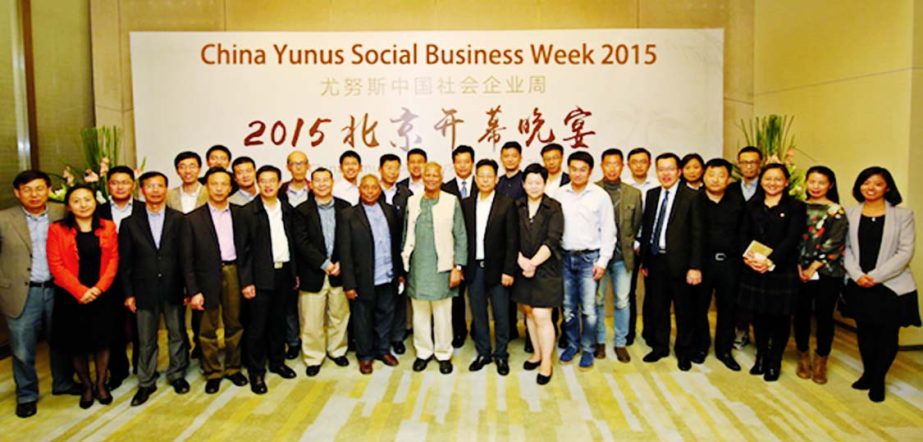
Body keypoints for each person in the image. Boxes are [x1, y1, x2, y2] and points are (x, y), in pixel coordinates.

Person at [0, 170, 79, 418]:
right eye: (27, 189)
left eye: (39, 188)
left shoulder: (62, 213)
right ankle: (26, 394)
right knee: (23, 348)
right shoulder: (4, 219)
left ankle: (63, 383)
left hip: (58, 288)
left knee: (62, 340)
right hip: (22, 291)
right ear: (17, 193)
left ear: (49, 189)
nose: (34, 194)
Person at [843, 167, 920, 402]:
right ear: (859, 186)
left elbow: (905, 252)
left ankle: (878, 379)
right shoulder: (850, 213)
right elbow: (844, 247)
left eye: (877, 183)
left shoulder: (902, 216)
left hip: (892, 285)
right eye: (866, 183)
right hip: (859, 282)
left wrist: (875, 276)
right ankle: (868, 373)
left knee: (887, 334)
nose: (871, 188)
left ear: (887, 187)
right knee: (864, 331)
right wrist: (857, 275)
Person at [118, 171, 190, 406]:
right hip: (143, 289)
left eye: (160, 185)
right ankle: (146, 382)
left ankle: (177, 374)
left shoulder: (179, 219)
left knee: (177, 333)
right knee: (146, 338)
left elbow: (185, 257)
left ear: (166, 189)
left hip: (173, 286)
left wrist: (189, 288)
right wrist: (128, 293)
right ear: (142, 191)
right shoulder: (130, 223)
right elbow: (125, 262)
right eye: (150, 186)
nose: (155, 190)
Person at [47, 185, 119, 409]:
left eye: (87, 199)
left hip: (101, 294)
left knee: (102, 341)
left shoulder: (108, 227)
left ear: (95, 202)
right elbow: (56, 265)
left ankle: (100, 384)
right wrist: (80, 291)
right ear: (68, 206)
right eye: (76, 201)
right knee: (76, 343)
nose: (83, 204)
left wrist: (98, 289)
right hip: (70, 295)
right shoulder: (57, 230)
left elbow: (113, 261)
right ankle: (86, 385)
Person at [181, 167, 249, 394]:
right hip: (205, 277)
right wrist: (193, 290)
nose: (219, 189)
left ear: (231, 188)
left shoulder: (241, 214)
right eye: (214, 184)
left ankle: (233, 368)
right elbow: (187, 259)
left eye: (224, 184)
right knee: (207, 328)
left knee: (235, 324)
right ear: (207, 187)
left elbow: (247, 251)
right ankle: (212, 372)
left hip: (233, 272)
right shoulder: (192, 219)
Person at [739, 163, 806, 382]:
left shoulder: (796, 206)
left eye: (778, 179)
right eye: (768, 178)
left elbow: (792, 238)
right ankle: (761, 356)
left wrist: (770, 261)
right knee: (758, 317)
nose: (773, 183)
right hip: (754, 268)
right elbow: (743, 235)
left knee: (780, 318)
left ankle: (774, 361)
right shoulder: (752, 205)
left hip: (781, 270)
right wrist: (749, 259)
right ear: (761, 180)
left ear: (786, 182)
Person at [638, 153, 703, 371]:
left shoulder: (692, 196)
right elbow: (648, 228)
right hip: (656, 260)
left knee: (684, 309)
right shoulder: (653, 194)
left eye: (670, 169)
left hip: (682, 263)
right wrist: (644, 260)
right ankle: (660, 347)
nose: (665, 174)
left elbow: (697, 235)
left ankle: (683, 351)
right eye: (661, 169)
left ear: (679, 172)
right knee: (658, 307)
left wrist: (695, 266)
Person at [238, 165, 299, 394]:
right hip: (258, 276)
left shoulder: (286, 208)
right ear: (257, 182)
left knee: (278, 322)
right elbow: (242, 251)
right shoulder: (247, 212)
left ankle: (277, 362)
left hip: (283, 273)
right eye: (262, 180)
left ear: (279, 182)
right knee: (257, 327)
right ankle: (256, 372)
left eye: (272, 180)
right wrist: (246, 282)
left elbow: (291, 242)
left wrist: (294, 273)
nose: (267, 184)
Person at [402, 162, 467, 375]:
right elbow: (405, 235)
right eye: (427, 175)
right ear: (422, 177)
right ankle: (423, 352)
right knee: (419, 313)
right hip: (418, 266)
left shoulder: (451, 201)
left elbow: (461, 235)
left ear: (441, 178)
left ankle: (443, 353)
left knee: (442, 314)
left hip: (443, 266)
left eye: (435, 175)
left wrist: (457, 266)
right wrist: (404, 265)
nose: (430, 178)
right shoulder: (412, 201)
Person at [556, 151, 616, 369]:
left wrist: (602, 262)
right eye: (574, 169)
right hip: (564, 257)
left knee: (589, 308)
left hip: (589, 258)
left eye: (583, 169)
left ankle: (588, 348)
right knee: (568, 307)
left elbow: (609, 231)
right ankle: (572, 345)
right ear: (568, 169)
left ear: (590, 171)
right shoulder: (560, 194)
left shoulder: (600, 196)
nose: (578, 173)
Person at [339, 175, 403, 374]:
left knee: (386, 315)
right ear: (359, 189)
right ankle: (365, 356)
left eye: (373, 187)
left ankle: (383, 350)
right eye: (365, 187)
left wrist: (400, 273)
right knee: (363, 318)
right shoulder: (348, 215)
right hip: (362, 278)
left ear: (379, 189)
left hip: (387, 274)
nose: (369, 191)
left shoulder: (390, 211)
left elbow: (396, 245)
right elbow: (345, 252)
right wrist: (349, 284)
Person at [292, 168, 351, 377]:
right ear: (311, 184)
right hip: (313, 272)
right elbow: (301, 242)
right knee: (311, 319)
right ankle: (313, 357)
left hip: (340, 272)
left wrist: (341, 262)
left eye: (326, 180)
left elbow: (350, 240)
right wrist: (325, 264)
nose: (322, 184)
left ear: (332, 182)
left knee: (339, 315)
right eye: (318, 180)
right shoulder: (301, 211)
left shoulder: (345, 208)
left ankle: (337, 351)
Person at [461, 159, 517, 375]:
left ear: (496, 179)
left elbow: (512, 240)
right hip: (474, 269)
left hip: (499, 269)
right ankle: (483, 351)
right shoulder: (466, 204)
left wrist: (509, 271)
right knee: (478, 313)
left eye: (489, 176)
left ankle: (501, 355)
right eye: (481, 176)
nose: (485, 180)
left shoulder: (506, 203)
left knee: (501, 314)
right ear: (475, 179)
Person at [794, 166, 847, 384]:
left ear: (830, 185)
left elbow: (835, 242)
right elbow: (793, 237)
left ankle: (821, 359)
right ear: (806, 182)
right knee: (801, 314)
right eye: (812, 182)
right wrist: (798, 265)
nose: (815, 187)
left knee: (825, 316)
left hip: (826, 271)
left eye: (821, 183)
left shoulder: (836, 211)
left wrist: (813, 267)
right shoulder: (798, 207)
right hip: (798, 270)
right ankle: (803, 355)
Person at [694, 158, 745, 371]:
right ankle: (701, 346)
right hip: (702, 264)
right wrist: (694, 266)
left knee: (728, 309)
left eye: (721, 175)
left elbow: (744, 233)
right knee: (699, 307)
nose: (715, 180)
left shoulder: (737, 201)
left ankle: (724, 350)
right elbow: (691, 236)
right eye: (711, 175)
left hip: (730, 264)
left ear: (728, 178)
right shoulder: (694, 201)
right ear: (704, 177)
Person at [515, 164, 564, 385]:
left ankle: (546, 363)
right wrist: (521, 261)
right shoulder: (516, 206)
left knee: (543, 316)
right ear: (523, 184)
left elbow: (552, 240)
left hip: (546, 268)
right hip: (521, 265)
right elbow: (510, 237)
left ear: (545, 184)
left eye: (539, 182)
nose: (534, 186)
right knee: (528, 312)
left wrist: (533, 263)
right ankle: (536, 353)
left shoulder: (553, 207)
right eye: (530, 182)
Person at [594, 148, 642, 362]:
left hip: (623, 257)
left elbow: (637, 223)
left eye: (616, 164)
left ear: (622, 166)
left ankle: (620, 343)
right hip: (598, 258)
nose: (612, 168)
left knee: (623, 301)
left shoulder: (633, 193)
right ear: (601, 166)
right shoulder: (592, 190)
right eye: (607, 164)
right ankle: (600, 341)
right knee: (598, 300)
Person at [97, 165, 141, 390]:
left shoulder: (144, 209)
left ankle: (143, 368)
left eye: (125, 182)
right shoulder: (98, 211)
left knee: (141, 326)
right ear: (108, 186)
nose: (120, 187)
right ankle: (118, 370)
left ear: (133, 185)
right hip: (108, 277)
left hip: (140, 276)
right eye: (115, 183)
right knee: (113, 326)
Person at [166, 151, 208, 360]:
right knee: (178, 308)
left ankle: (202, 346)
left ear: (200, 168)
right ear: (177, 170)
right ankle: (181, 352)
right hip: (175, 260)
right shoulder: (168, 195)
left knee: (202, 306)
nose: (188, 170)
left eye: (192, 166)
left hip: (203, 260)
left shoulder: (211, 192)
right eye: (183, 166)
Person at [729, 146, 764, 350]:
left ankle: (761, 336)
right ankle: (741, 331)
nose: (748, 166)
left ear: (760, 164)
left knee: (759, 296)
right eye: (744, 162)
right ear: (739, 164)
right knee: (737, 295)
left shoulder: (768, 187)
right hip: (735, 251)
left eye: (753, 162)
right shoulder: (732, 189)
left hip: (761, 252)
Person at [379, 153, 414, 354]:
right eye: (388, 168)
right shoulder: (372, 191)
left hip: (401, 252)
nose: (392, 172)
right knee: (382, 298)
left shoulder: (406, 194)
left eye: (395, 168)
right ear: (380, 170)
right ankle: (381, 337)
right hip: (380, 253)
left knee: (399, 296)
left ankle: (398, 337)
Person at [442, 145, 475, 349]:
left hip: (480, 252)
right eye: (458, 162)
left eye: (466, 161)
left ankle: (480, 331)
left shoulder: (483, 184)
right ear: (453, 164)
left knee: (479, 296)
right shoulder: (446, 189)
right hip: (455, 252)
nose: (462, 166)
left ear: (472, 163)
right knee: (456, 297)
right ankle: (459, 331)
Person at [279, 150, 310, 359]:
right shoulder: (280, 191)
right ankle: (292, 341)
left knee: (310, 302)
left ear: (308, 166)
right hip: (287, 251)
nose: (298, 167)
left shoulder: (316, 188)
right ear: (288, 167)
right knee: (288, 301)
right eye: (294, 164)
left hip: (311, 252)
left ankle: (310, 341)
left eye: (302, 163)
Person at [625, 147, 656, 347]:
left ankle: (650, 331)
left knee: (653, 291)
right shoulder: (624, 186)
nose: (638, 165)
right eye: (634, 162)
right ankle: (628, 331)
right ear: (628, 165)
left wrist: (644, 243)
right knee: (628, 291)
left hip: (651, 246)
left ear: (649, 164)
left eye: (643, 161)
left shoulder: (658, 185)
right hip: (629, 245)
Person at [497, 141, 526, 343]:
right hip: (501, 246)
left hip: (525, 243)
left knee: (527, 292)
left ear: (520, 158)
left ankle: (532, 337)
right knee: (504, 291)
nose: (510, 159)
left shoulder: (527, 181)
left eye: (514, 155)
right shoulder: (496, 182)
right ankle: (509, 330)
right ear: (501, 158)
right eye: (506, 156)